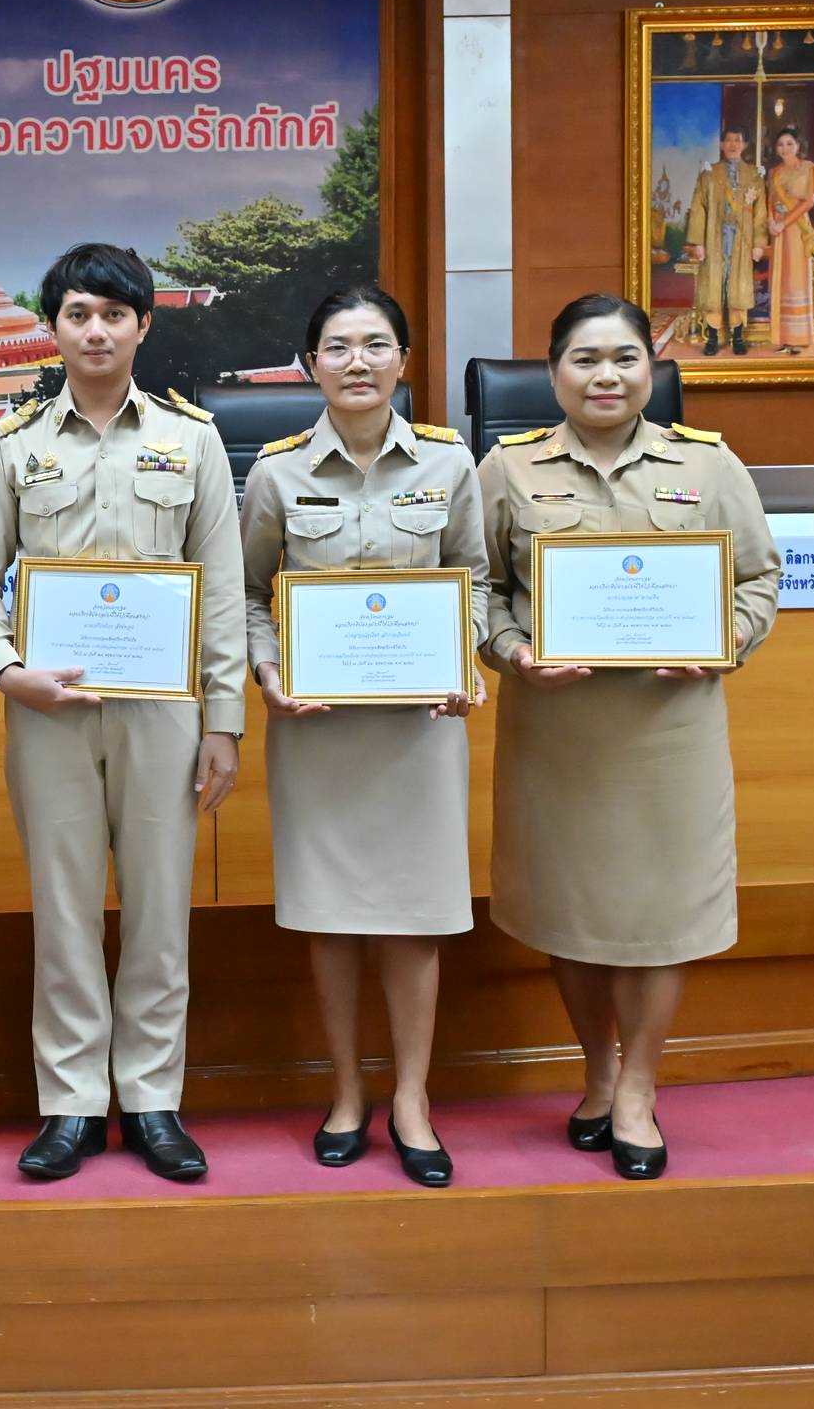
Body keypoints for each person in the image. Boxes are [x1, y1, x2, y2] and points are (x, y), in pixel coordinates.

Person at [0, 242, 247, 1184]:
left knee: (161, 909)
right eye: (78, 314)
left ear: (143, 326)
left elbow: (221, 586)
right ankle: (73, 1103)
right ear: (53, 327)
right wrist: (6, 672)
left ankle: (154, 1099)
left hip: (163, 710)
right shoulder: (14, 444)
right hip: (50, 710)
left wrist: (223, 719)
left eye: (114, 315)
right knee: (65, 911)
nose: (95, 331)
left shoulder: (192, 440)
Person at [477, 294, 781, 1179]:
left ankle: (640, 1087)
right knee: (569, 907)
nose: (604, 376)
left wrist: (723, 641)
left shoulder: (709, 464)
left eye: (624, 359)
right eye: (584, 359)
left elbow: (759, 579)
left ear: (652, 369)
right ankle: (599, 1072)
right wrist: (512, 651)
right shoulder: (508, 468)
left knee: (662, 912)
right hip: (558, 731)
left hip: (667, 731)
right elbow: (476, 585)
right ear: (552, 373)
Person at [239, 287, 487, 1188]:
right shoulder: (276, 474)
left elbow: (474, 579)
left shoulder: (450, 464)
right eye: (337, 346)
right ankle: (346, 1091)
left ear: (403, 362)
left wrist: (464, 656)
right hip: (320, 733)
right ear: (310, 364)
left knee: (417, 921)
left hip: (419, 731)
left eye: (376, 345)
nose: (357, 362)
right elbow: (246, 593)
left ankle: (412, 1097)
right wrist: (269, 671)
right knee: (331, 918)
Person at [682, 125, 766, 356]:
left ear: (744, 145)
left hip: (742, 240)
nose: (733, 145)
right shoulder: (709, 174)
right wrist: (698, 241)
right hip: (714, 238)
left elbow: (761, 212)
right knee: (713, 286)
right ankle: (712, 337)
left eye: (738, 140)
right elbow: (698, 208)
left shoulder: (754, 176)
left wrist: (759, 243)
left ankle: (738, 337)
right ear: (721, 144)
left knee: (739, 286)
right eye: (728, 140)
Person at [765, 127, 814, 353]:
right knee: (780, 280)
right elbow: (770, 200)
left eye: (789, 143)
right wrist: (771, 221)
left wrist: (784, 223)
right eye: (780, 144)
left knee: (796, 279)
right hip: (778, 232)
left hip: (797, 229)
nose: (785, 148)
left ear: (798, 145)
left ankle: (799, 338)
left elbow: (808, 202)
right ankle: (783, 337)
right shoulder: (774, 172)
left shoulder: (809, 168)